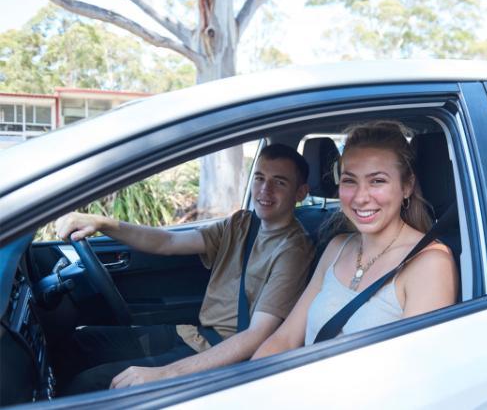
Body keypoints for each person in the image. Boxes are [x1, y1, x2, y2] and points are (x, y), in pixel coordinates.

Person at [53, 144, 315, 394]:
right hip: (193, 334)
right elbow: (168, 241)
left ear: (301, 192)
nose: (264, 190)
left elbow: (258, 335)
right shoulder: (242, 223)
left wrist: (167, 373)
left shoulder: (293, 250)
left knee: (91, 384)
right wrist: (103, 223)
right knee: (79, 344)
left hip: (219, 355)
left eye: (279, 182)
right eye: (259, 178)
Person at [253, 121, 458, 359]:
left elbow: (414, 375)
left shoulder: (430, 263)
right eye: (350, 181)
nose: (360, 198)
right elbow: (285, 338)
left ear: (407, 186)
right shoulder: (336, 247)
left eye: (377, 181)